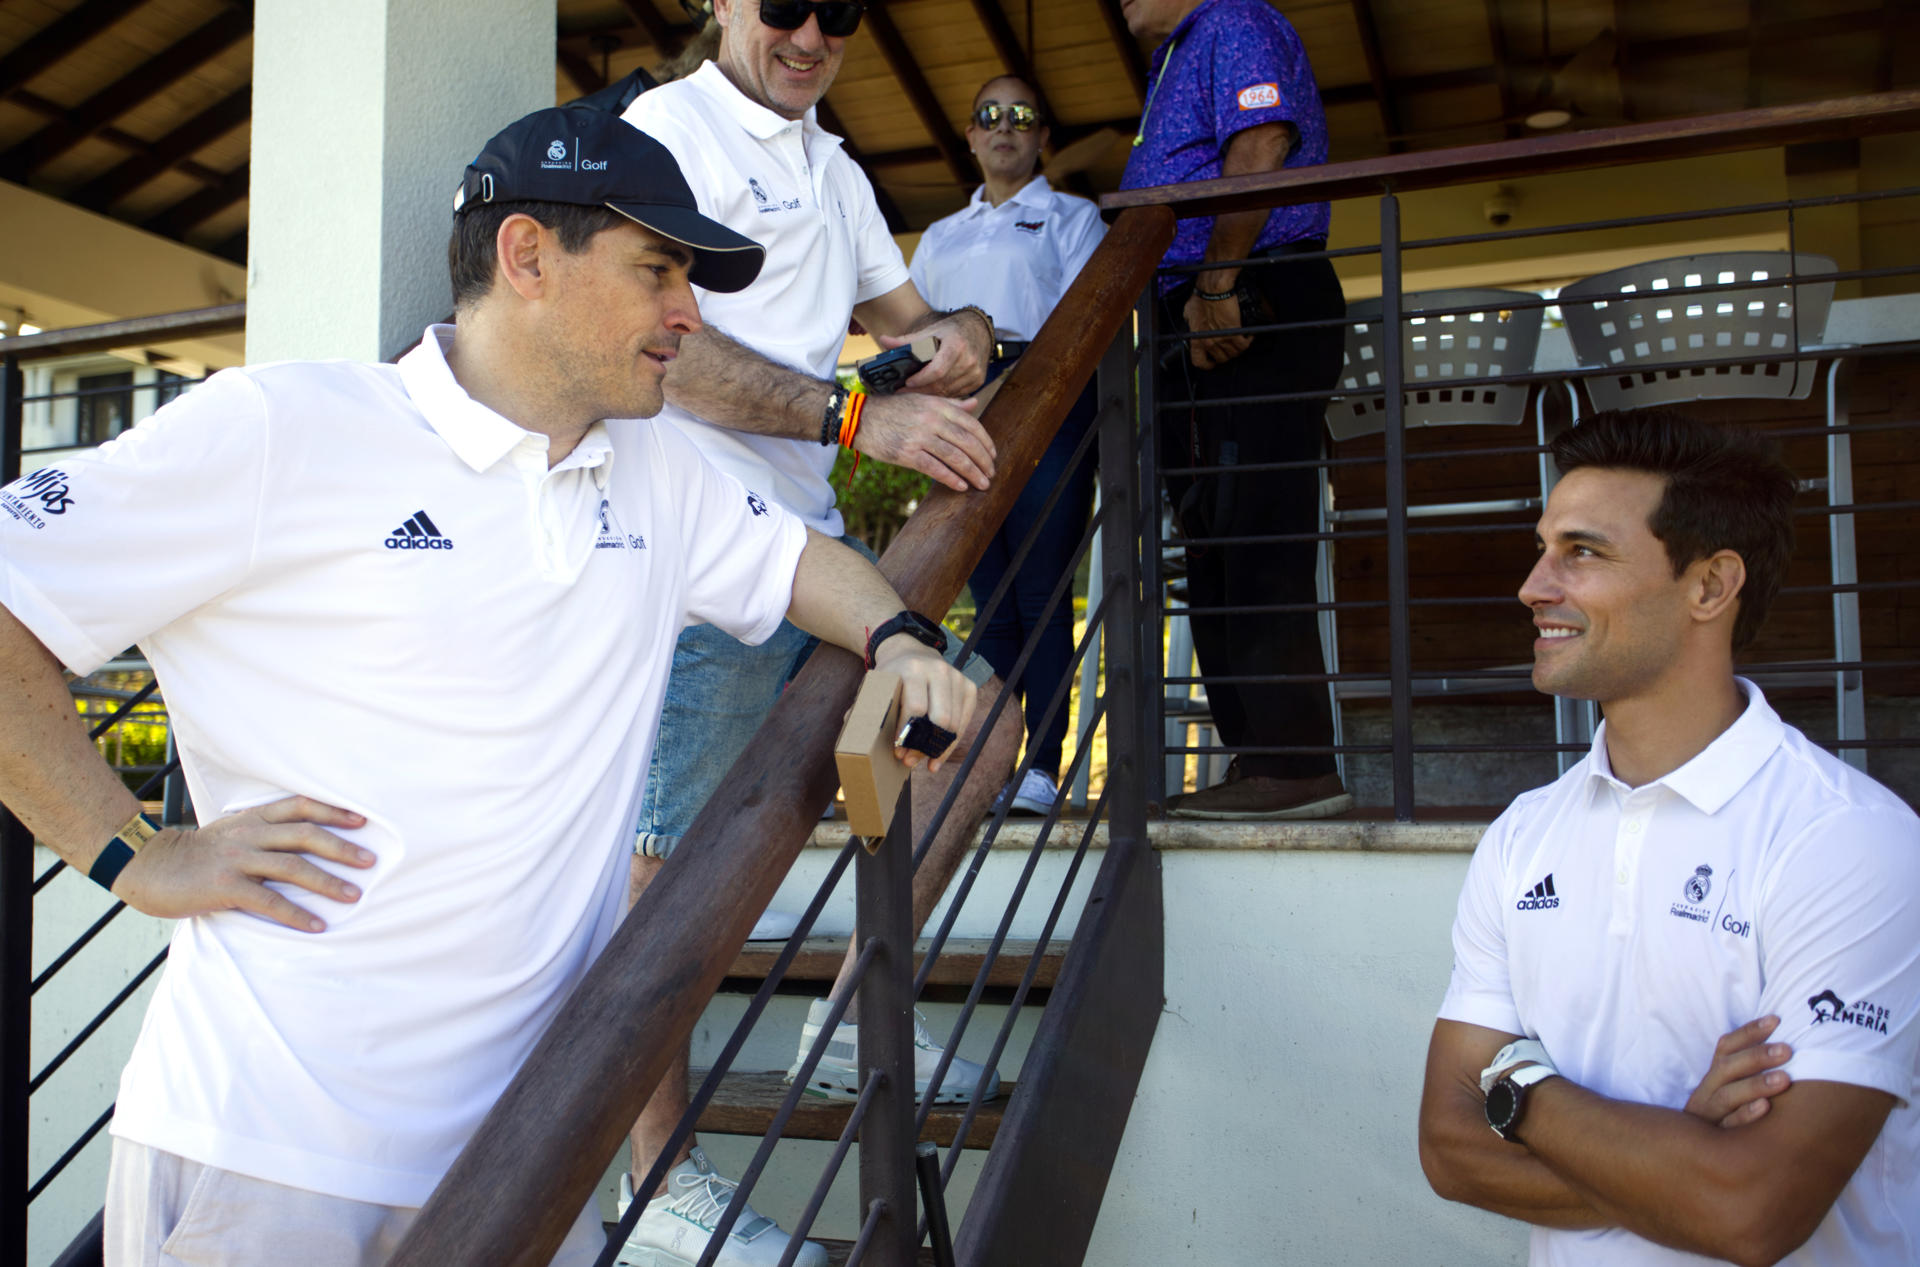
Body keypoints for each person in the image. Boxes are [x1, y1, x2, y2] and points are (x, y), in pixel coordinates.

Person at [0, 105, 979, 1267]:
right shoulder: (285, 427)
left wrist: (903, 638)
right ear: (525, 257)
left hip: (524, 1160)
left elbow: (801, 563)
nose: (689, 316)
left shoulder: (657, 466)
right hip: (270, 1160)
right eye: (658, 269)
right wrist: (135, 854)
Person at [614, 3, 1025, 1264]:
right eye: (784, 4)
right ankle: (655, 1192)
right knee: (667, 870)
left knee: (980, 730)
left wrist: (958, 339)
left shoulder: (829, 160)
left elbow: (908, 320)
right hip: (691, 549)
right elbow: (670, 354)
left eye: (838, 11)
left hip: (803, 546)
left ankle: (848, 1024)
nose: (810, 33)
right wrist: (858, 421)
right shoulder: (660, 131)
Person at [1417, 409, 1919, 1264]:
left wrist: (1517, 1088)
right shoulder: (1524, 836)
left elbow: (1750, 1209)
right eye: (1543, 549)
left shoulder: (1849, 840)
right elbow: (1448, 1147)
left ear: (1710, 586)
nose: (1534, 585)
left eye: (1582, 551)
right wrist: (1685, 1139)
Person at [1118, 0, 1351, 820]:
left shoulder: (1232, 19)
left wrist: (1217, 284)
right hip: (1198, 304)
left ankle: (1294, 765)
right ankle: (1263, 759)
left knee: (1254, 528)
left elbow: (1261, 143)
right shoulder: (1178, 51)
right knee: (1214, 535)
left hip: (1252, 289)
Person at [908, 75, 1107, 819]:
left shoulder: (1070, 217)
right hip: (955, 416)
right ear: (970, 134)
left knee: (1041, 592)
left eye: (1023, 115)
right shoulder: (939, 237)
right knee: (987, 603)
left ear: (1043, 136)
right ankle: (991, 758)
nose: (1005, 126)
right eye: (988, 113)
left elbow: (1080, 323)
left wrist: (1000, 385)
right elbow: (911, 331)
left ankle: (1044, 767)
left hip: (1043, 405)